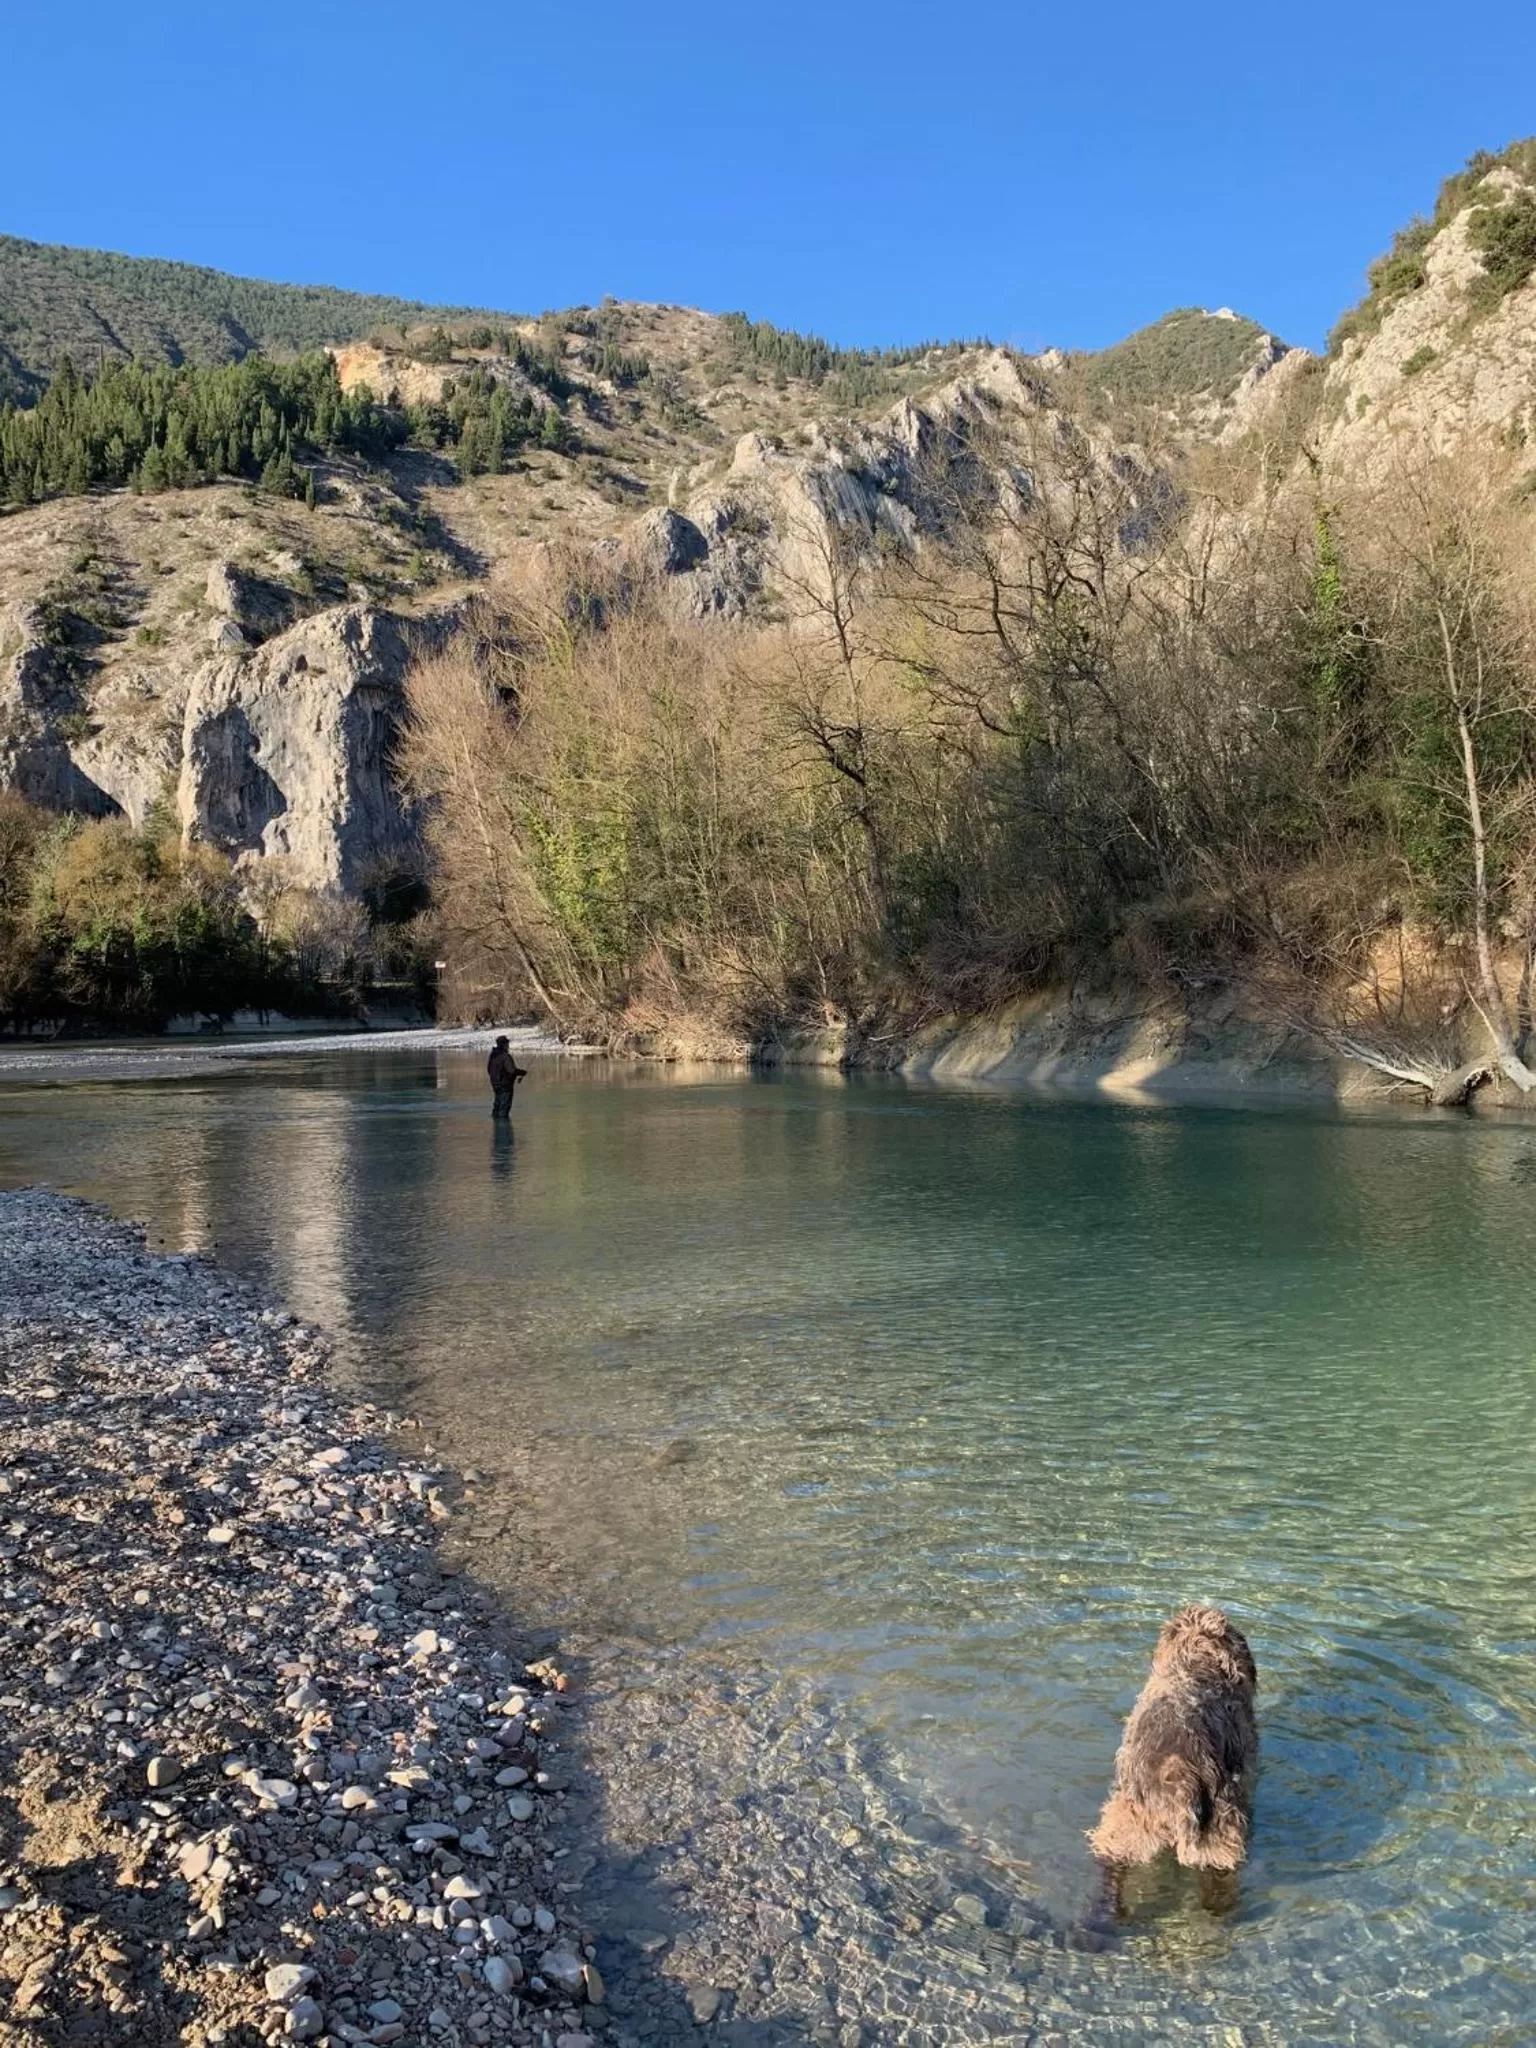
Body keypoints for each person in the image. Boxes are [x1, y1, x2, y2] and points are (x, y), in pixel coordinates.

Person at [487, 1035, 527, 1119]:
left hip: (495, 1084)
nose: (508, 1046)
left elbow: (489, 1069)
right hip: (505, 1085)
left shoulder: (493, 1055)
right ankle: (503, 1124)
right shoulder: (505, 1056)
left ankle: (496, 1122)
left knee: (497, 1105)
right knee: (504, 1108)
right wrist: (522, 1072)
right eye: (507, 1044)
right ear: (504, 1045)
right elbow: (511, 1070)